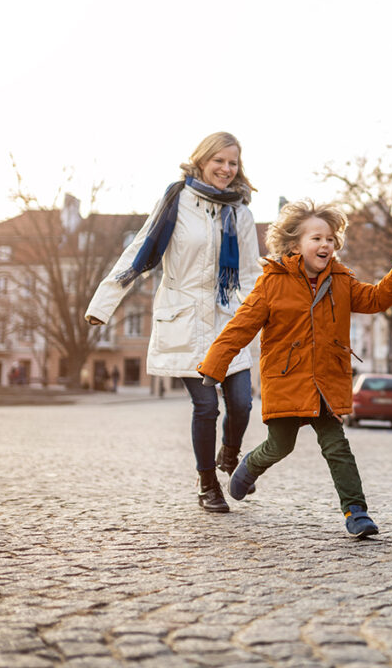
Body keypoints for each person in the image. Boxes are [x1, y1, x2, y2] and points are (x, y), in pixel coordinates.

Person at [197, 200, 392, 537]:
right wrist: (215, 366)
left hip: (326, 382)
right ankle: (250, 466)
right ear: (294, 244)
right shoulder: (272, 283)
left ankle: (356, 511)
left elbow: (375, 300)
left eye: (330, 239)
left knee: (337, 446)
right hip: (286, 381)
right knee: (280, 446)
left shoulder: (342, 280)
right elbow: (240, 328)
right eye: (316, 238)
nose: (325, 244)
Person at [86, 132, 261, 513]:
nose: (226, 169)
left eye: (232, 163)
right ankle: (207, 483)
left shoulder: (241, 213)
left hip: (228, 322)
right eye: (219, 161)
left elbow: (250, 274)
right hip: (184, 319)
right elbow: (139, 250)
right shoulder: (176, 201)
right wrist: (103, 303)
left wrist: (260, 318)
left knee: (242, 404)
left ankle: (229, 453)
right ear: (201, 160)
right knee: (206, 407)